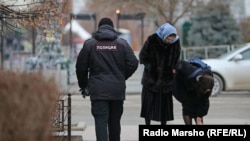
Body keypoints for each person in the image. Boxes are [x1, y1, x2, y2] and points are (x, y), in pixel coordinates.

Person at [75, 17, 139, 141]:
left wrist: (84, 85)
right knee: (115, 122)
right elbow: (133, 63)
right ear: (112, 28)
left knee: (101, 121)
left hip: (98, 90)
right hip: (116, 89)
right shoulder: (122, 44)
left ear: (99, 28)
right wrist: (121, 77)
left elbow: (80, 67)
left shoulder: (90, 44)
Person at [139, 23, 181, 125]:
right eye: (168, 38)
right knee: (148, 106)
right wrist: (150, 67)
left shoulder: (175, 43)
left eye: (172, 39)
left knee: (164, 108)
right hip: (151, 79)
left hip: (166, 80)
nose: (170, 41)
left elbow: (177, 58)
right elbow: (142, 56)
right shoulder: (152, 40)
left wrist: (175, 68)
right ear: (164, 35)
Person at [173, 60, 214, 125]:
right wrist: (174, 70)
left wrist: (199, 118)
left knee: (199, 105)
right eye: (205, 90)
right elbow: (180, 63)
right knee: (187, 107)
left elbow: (204, 101)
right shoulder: (189, 71)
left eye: (207, 90)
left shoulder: (209, 80)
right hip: (184, 86)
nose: (207, 91)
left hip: (195, 87)